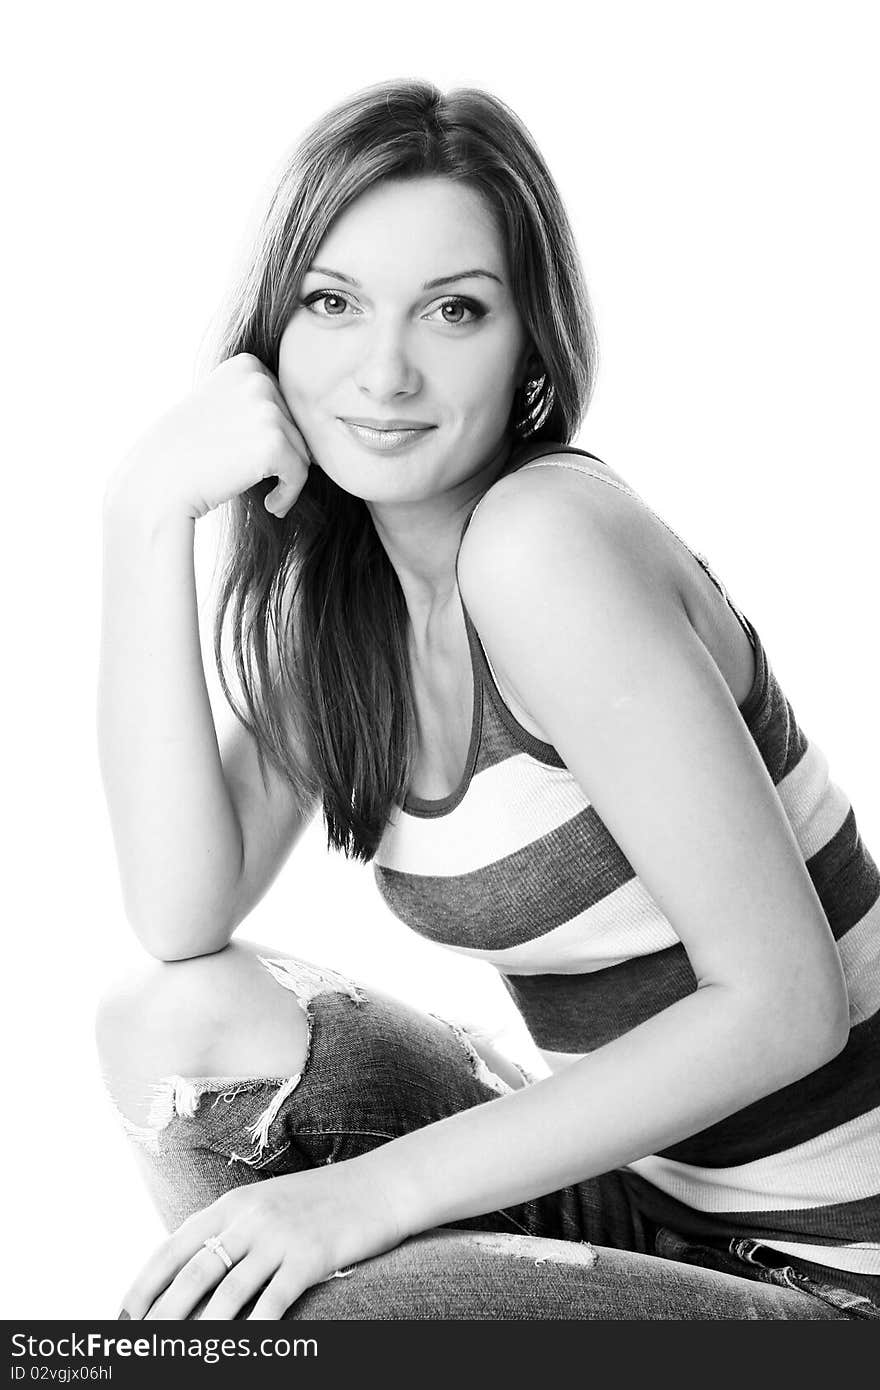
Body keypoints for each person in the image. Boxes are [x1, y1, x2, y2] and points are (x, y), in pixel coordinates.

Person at [95, 78, 880, 1321]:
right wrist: (142, 514)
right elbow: (180, 917)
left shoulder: (542, 542)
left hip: (839, 1281)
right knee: (174, 1028)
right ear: (273, 338)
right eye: (333, 303)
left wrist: (354, 1203)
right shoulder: (355, 601)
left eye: (453, 310)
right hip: (637, 1207)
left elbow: (789, 1006)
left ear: (530, 351)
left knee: (319, 1316)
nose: (385, 369)